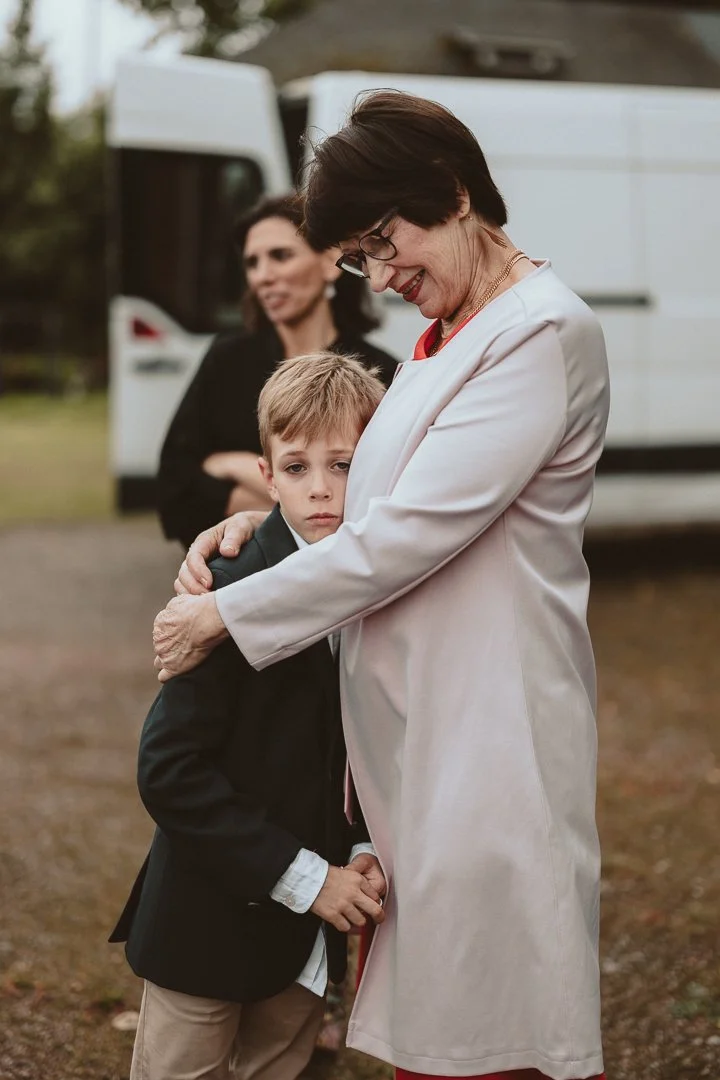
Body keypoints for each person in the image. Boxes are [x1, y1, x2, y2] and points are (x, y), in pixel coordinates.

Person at [151, 90, 611, 1080]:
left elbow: (407, 535)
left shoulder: (539, 333)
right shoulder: (444, 337)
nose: (383, 274)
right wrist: (257, 528)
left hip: (486, 730)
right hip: (413, 742)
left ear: (453, 192)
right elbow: (365, 498)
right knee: (439, 1022)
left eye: (383, 241)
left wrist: (225, 612)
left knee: (491, 1030)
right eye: (361, 256)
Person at [111, 351, 388, 1080]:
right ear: (267, 476)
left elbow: (365, 748)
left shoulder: (387, 593)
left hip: (307, 943)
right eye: (297, 468)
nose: (321, 488)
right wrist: (308, 879)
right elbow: (169, 771)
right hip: (206, 922)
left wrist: (364, 845)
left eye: (344, 465)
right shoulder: (228, 587)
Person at [156, 193, 397, 548]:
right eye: (252, 263)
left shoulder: (377, 373)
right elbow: (175, 494)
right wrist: (297, 509)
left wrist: (234, 467)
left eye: (280, 256)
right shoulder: (227, 361)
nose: (263, 276)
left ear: (330, 261)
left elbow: (381, 501)